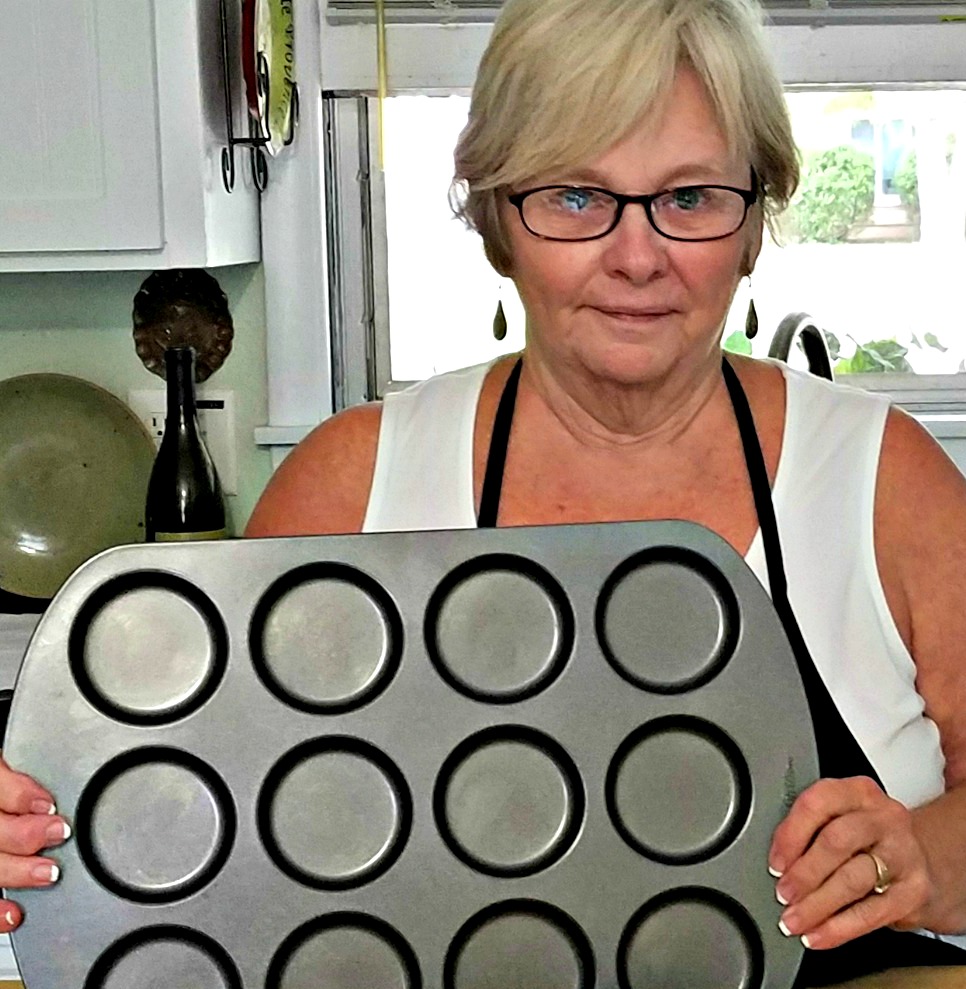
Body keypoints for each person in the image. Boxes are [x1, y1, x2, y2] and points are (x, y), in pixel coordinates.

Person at [0, 0, 963, 985]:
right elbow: (185, 835)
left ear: (755, 221)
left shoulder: (882, 479)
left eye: (691, 197)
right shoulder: (355, 483)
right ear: (500, 218)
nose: (638, 255)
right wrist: (34, 831)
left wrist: (927, 856)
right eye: (578, 198)